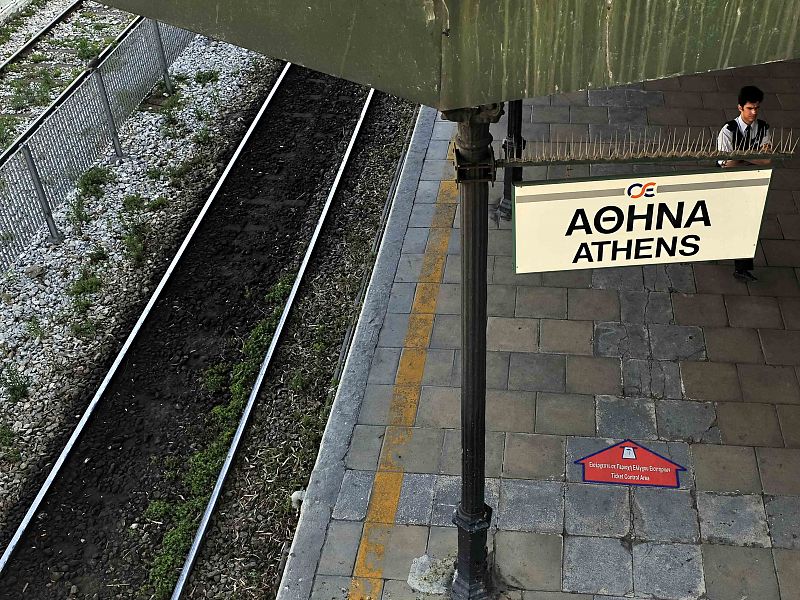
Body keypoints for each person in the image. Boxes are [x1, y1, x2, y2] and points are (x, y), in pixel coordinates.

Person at [717, 85, 772, 282]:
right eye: (749, 108)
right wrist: (752, 157)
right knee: (722, 220)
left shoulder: (763, 128)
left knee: (746, 224)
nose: (754, 112)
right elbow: (726, 164)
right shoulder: (728, 130)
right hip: (727, 182)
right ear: (740, 107)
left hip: (750, 182)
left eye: (756, 108)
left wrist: (739, 156)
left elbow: (766, 160)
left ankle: (741, 268)